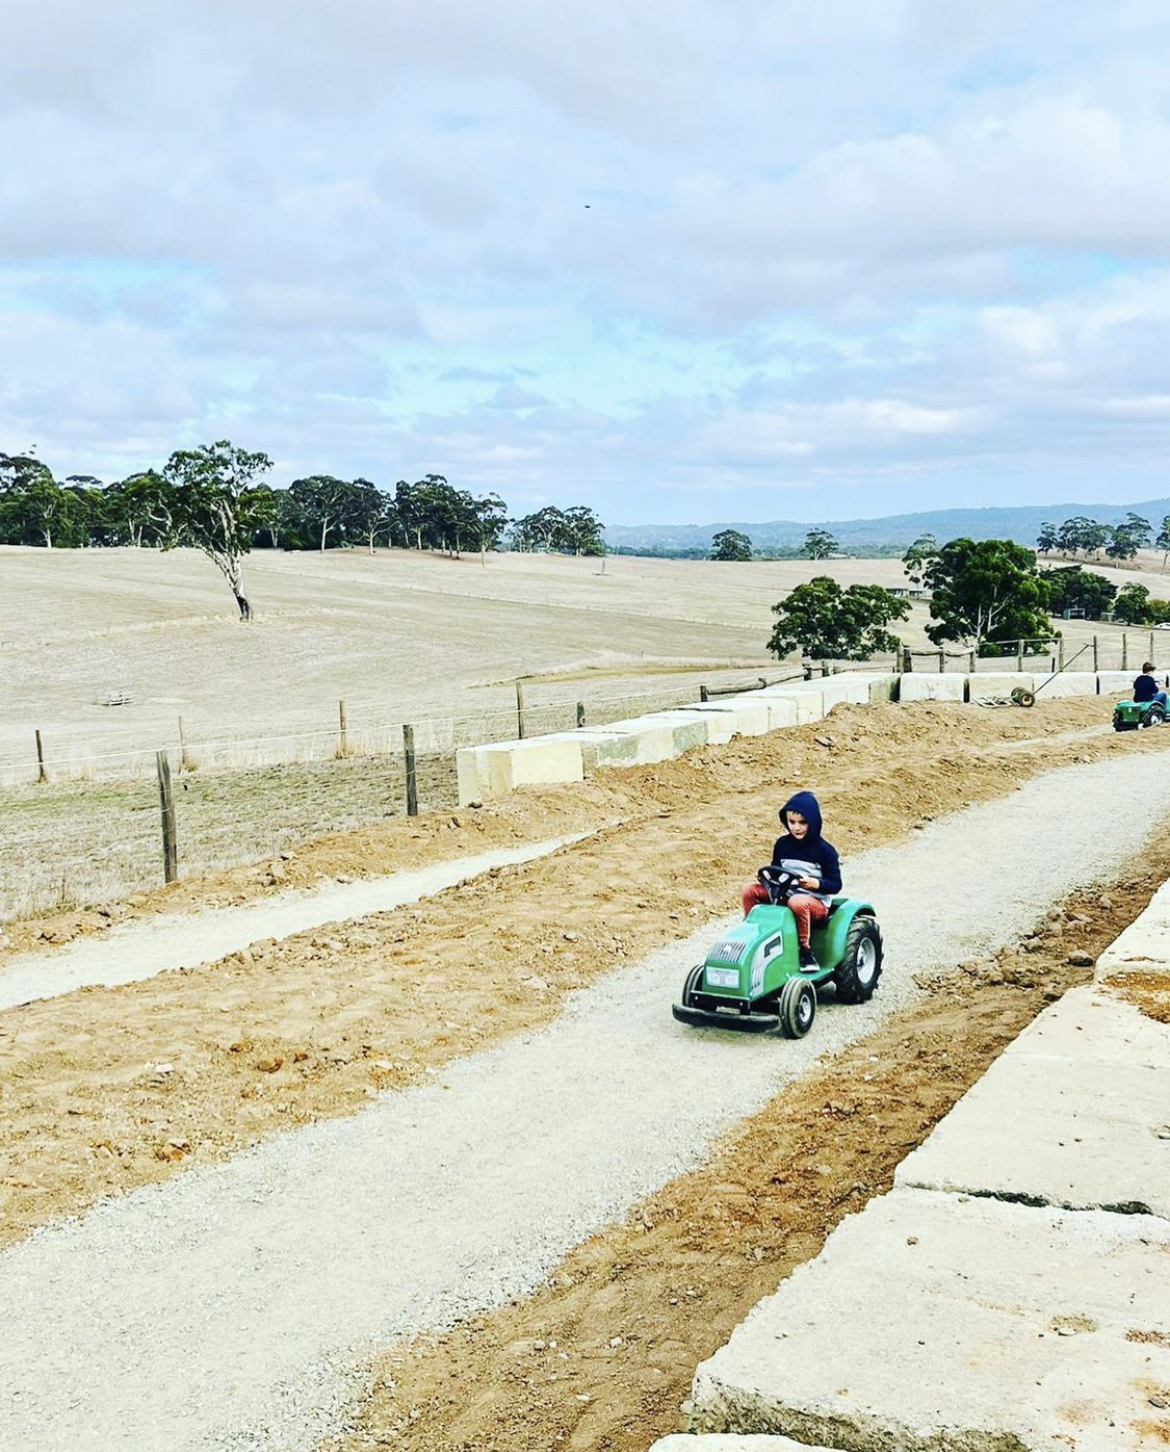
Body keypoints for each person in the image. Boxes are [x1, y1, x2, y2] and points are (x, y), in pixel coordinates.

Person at [742, 790, 842, 969]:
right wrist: (766, 879)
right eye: (792, 822)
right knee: (749, 890)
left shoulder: (825, 851)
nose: (796, 827)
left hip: (815, 903)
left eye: (803, 823)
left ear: (813, 822)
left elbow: (835, 884)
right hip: (785, 894)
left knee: (797, 901)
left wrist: (816, 884)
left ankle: (804, 951)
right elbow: (776, 870)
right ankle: (753, 935)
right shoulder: (782, 844)